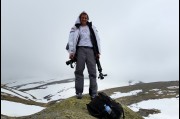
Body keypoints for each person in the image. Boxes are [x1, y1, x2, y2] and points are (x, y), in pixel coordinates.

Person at [66, 11, 101, 100]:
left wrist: (98, 52)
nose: (84, 19)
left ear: (87, 19)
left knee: (92, 72)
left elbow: (97, 39)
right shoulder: (75, 28)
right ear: (80, 18)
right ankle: (79, 92)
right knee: (79, 71)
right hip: (80, 50)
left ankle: (93, 93)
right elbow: (71, 40)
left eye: (85, 18)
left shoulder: (92, 27)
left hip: (91, 51)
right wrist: (71, 52)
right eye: (82, 18)